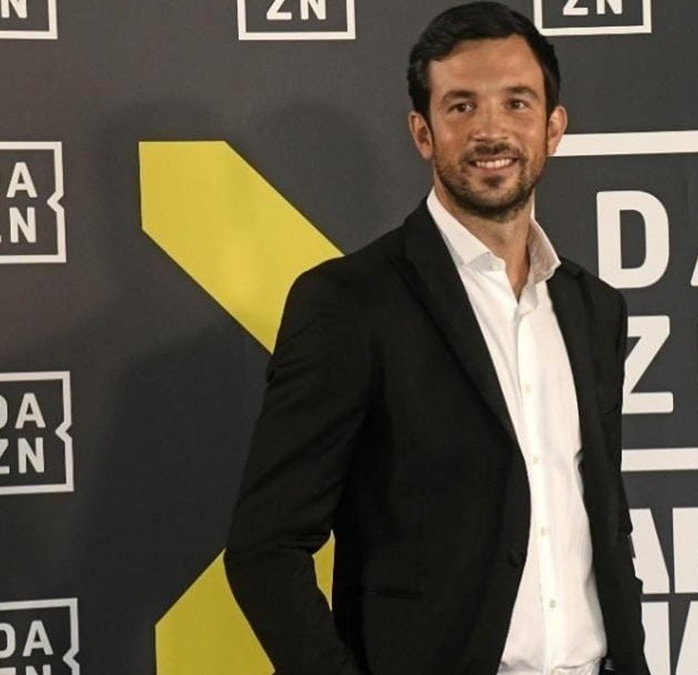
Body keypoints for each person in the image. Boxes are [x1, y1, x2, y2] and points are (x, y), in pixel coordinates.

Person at [224, 3, 648, 674]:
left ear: (553, 127)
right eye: (461, 106)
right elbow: (265, 548)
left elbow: (602, 518)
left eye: (516, 103)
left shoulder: (594, 309)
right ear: (423, 132)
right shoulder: (349, 304)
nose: (491, 130)